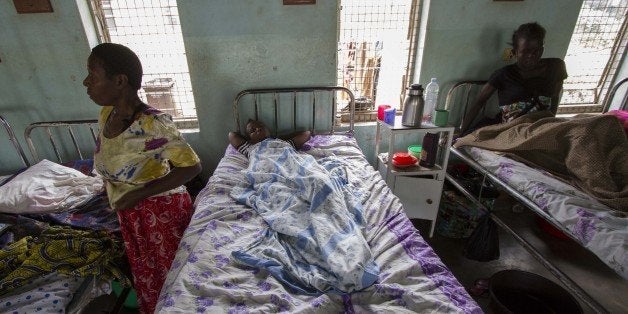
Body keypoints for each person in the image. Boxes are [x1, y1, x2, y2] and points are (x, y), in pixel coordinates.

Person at [83, 43, 202, 314]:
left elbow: (191, 167)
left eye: (93, 74)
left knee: (171, 279)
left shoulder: (153, 124)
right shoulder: (107, 114)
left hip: (160, 214)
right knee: (147, 275)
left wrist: (137, 194)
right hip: (130, 213)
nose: (86, 82)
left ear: (120, 81)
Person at [460, 22, 568, 135]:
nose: (531, 56)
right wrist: (461, 131)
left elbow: (555, 97)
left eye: (536, 51)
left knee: (583, 129)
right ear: (515, 52)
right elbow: (479, 103)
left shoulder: (556, 67)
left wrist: (551, 123)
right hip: (513, 130)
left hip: (543, 127)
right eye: (525, 52)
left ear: (542, 49)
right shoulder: (504, 74)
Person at [229, 119, 311, 157]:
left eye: (261, 126)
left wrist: (279, 138)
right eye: (253, 130)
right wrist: (251, 141)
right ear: (250, 138)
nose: (258, 129)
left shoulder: (284, 143)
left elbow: (306, 134)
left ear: (268, 130)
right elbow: (231, 135)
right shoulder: (249, 148)